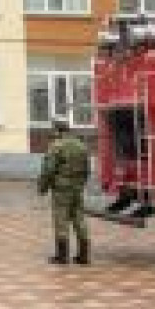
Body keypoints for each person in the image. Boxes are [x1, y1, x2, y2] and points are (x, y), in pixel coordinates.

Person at [38, 109, 91, 264]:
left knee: (61, 219)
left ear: (56, 129)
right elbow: (87, 168)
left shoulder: (56, 146)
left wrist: (42, 187)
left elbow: (48, 169)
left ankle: (62, 256)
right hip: (77, 188)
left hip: (61, 189)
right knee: (79, 218)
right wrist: (81, 184)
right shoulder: (81, 145)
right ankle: (83, 254)